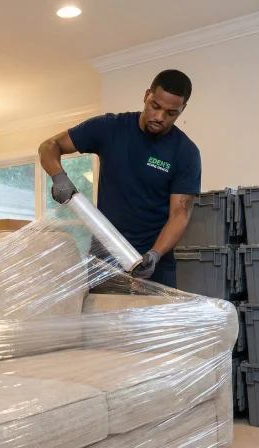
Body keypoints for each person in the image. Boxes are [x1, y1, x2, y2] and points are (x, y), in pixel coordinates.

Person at [39, 69, 201, 288]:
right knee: (101, 321)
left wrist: (155, 254)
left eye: (171, 113)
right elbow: (50, 145)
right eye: (155, 106)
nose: (160, 117)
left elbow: (180, 213)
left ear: (183, 110)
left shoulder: (185, 152)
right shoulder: (110, 128)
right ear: (146, 96)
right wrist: (59, 176)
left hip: (153, 260)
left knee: (153, 323)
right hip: (105, 255)